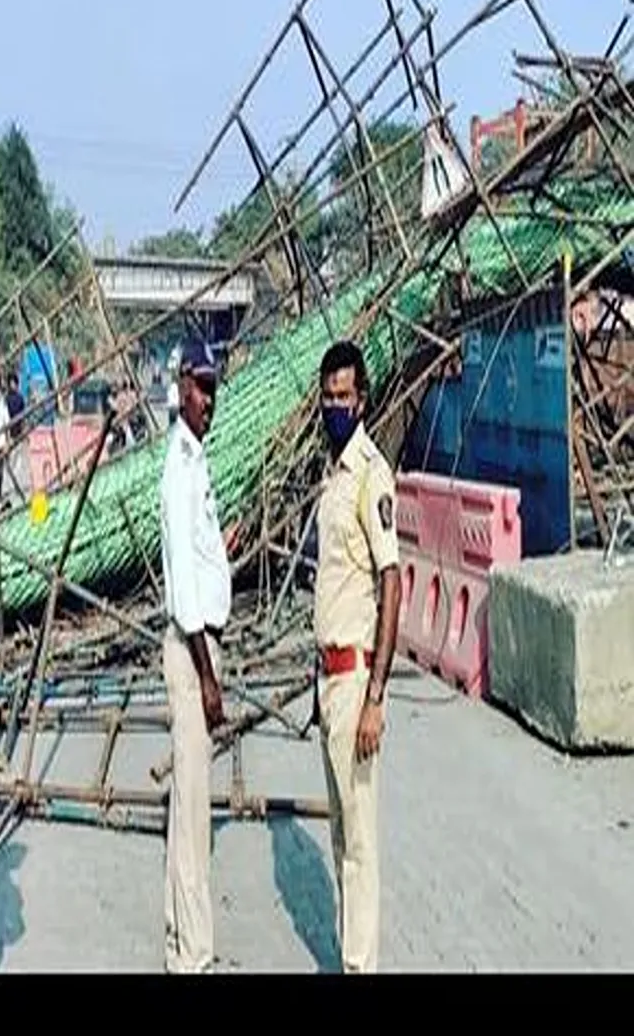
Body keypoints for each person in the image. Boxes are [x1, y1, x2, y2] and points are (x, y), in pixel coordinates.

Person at [312, 340, 401, 975]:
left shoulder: (371, 474)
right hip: (328, 680)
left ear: (362, 399)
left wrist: (375, 697)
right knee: (341, 835)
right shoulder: (332, 475)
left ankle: (360, 966)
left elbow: (391, 582)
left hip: (356, 680)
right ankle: (350, 957)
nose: (336, 406)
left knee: (362, 843)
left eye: (345, 397)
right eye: (328, 397)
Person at [158, 339, 240, 974]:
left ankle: (178, 943)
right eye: (202, 388)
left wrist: (223, 544)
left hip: (199, 646)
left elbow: (199, 553)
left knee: (189, 806)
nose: (210, 400)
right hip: (193, 652)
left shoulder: (197, 459)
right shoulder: (179, 468)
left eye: (215, 389)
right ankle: (195, 956)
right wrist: (210, 681)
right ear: (183, 384)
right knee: (192, 811)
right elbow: (184, 590)